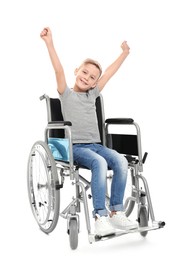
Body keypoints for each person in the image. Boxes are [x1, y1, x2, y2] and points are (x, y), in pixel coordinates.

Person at [40, 27, 138, 236]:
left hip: (97, 145)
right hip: (76, 148)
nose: (87, 78)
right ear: (76, 71)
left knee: (120, 161)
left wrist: (124, 53)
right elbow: (58, 70)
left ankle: (116, 212)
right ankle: (99, 216)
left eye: (92, 77)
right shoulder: (66, 94)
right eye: (84, 72)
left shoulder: (92, 95)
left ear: (95, 83)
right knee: (100, 163)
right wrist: (49, 42)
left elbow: (110, 72)